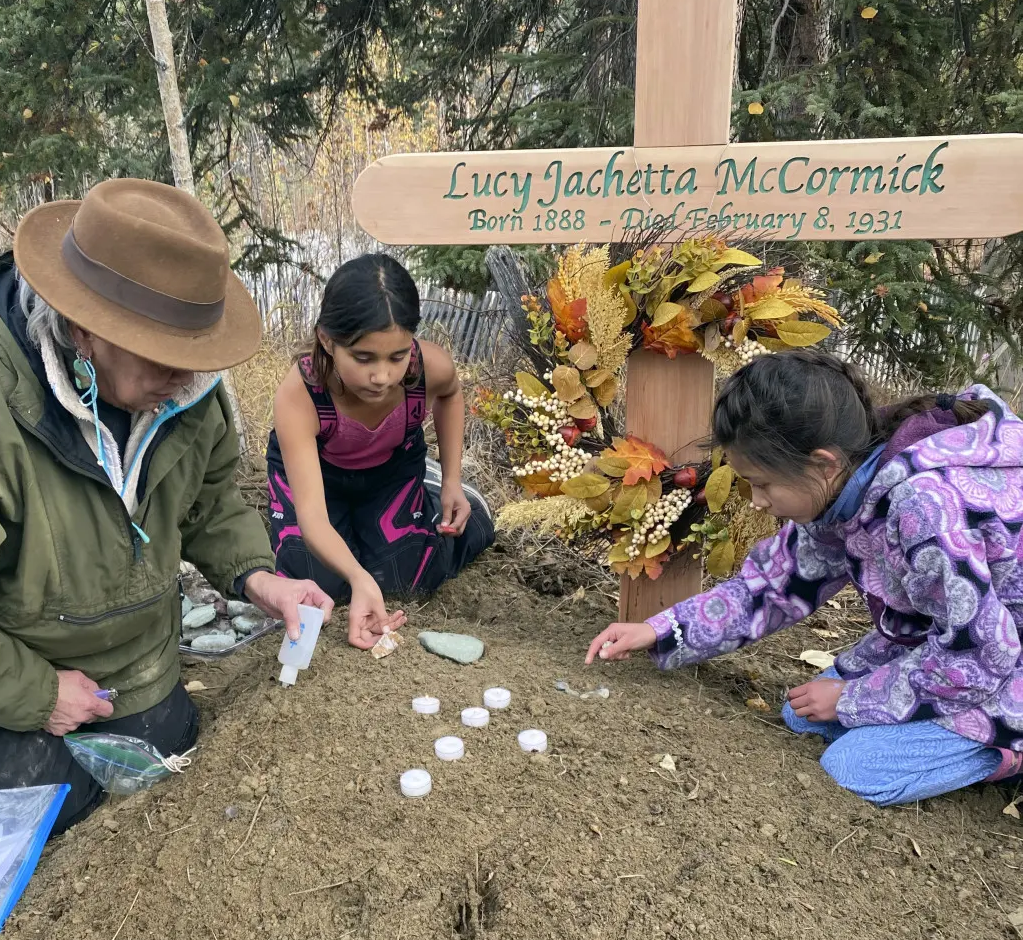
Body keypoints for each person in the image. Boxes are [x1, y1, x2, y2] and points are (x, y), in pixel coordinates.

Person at [0, 179, 332, 834]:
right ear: (85, 327)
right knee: (60, 808)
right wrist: (35, 692)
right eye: (168, 359)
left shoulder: (185, 389)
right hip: (9, 652)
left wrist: (262, 578)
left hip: (135, 651)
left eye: (197, 356)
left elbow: (208, 499)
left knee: (167, 759)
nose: (188, 380)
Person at [585, 349, 1023, 807]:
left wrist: (852, 699)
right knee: (804, 716)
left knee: (854, 767)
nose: (756, 500)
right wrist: (660, 630)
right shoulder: (846, 490)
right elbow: (771, 587)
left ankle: (1006, 750)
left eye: (763, 483)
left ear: (822, 462)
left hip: (994, 660)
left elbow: (982, 653)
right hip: (956, 644)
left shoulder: (923, 508)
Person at [266, 253, 495, 648]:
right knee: (316, 581)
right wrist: (358, 578)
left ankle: (442, 491)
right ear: (327, 340)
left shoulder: (428, 367)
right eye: (363, 358)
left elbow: (452, 393)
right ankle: (358, 541)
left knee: (405, 577)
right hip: (318, 478)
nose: (382, 376)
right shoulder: (299, 394)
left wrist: (455, 480)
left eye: (397, 355)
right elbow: (314, 518)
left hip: (390, 468)